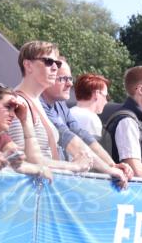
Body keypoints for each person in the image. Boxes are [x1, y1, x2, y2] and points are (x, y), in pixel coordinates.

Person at [40, 57, 130, 186]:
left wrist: (112, 164)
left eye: (70, 78)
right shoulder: (41, 103)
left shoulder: (60, 104)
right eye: (63, 78)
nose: (70, 84)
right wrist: (110, 169)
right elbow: (68, 138)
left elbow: (82, 135)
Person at [0, 83, 51, 179]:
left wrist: (25, 120)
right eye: (8, 107)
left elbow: (33, 161)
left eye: (15, 110)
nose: (12, 115)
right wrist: (39, 170)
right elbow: (1, 161)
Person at [69, 73, 109, 138]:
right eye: (105, 96)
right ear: (97, 94)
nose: (106, 101)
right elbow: (94, 147)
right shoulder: (92, 119)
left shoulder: (67, 113)